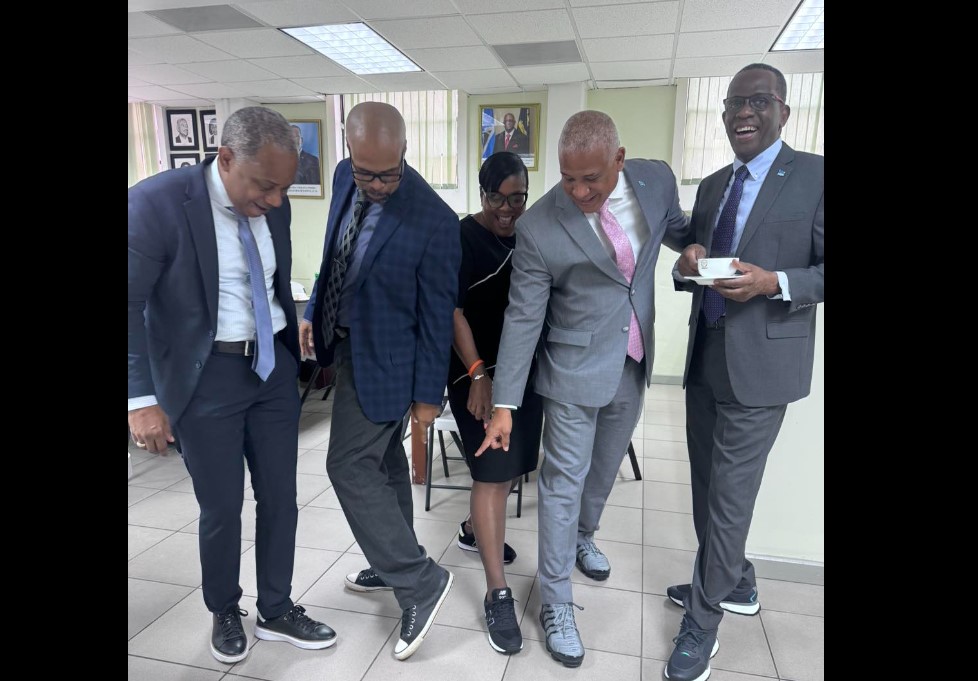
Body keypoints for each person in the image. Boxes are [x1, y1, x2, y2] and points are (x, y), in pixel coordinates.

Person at [477, 110, 692, 667]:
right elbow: (524, 319)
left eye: (591, 179)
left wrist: (697, 254)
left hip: (635, 354)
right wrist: (505, 404)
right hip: (571, 369)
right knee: (562, 481)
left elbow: (679, 230)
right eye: (568, 178)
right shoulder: (540, 225)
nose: (578, 191)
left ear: (618, 161)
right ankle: (555, 600)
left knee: (604, 468)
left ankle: (582, 537)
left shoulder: (655, 180)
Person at [128, 106, 336, 665]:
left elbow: (269, 279)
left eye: (283, 188)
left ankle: (277, 607)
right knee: (221, 506)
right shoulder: (157, 203)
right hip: (207, 377)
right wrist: (141, 399)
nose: (274, 200)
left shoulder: (275, 200)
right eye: (264, 186)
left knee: (281, 499)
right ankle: (224, 608)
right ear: (225, 158)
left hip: (269, 370)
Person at [662, 63, 824, 681]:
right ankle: (735, 581)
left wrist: (773, 283)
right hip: (705, 358)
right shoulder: (712, 185)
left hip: (763, 367)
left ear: (785, 109)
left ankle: (702, 627)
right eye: (733, 104)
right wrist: (689, 260)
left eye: (757, 101)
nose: (742, 113)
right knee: (707, 489)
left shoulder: (813, 176)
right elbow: (696, 263)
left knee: (729, 501)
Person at [300, 101, 460, 661]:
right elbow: (334, 253)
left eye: (386, 174)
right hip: (343, 346)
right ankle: (392, 560)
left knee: (345, 464)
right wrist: (312, 314)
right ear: (348, 151)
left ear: (406, 151)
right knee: (384, 465)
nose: (374, 184)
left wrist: (426, 399)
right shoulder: (347, 176)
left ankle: (418, 579)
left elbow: (436, 316)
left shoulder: (434, 220)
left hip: (391, 364)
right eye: (364, 171)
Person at [446, 151, 543, 655]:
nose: (507, 208)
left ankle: (471, 531)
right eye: (496, 198)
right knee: (491, 472)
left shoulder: (531, 234)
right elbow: (453, 311)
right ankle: (497, 591)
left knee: (509, 472)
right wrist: (477, 372)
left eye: (517, 197)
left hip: (522, 374)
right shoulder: (463, 237)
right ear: (481, 193)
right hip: (473, 374)